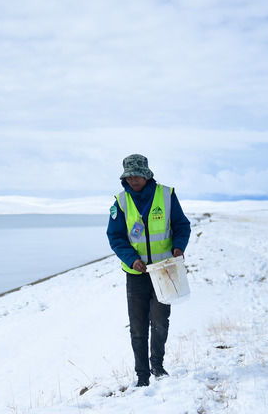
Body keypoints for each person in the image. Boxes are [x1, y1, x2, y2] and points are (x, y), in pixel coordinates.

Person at [106, 154, 191, 387]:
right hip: (136, 275)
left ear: (146, 174)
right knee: (138, 327)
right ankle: (142, 376)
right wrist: (132, 259)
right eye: (129, 176)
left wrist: (178, 247)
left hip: (164, 272)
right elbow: (115, 237)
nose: (132, 180)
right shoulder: (120, 202)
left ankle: (158, 367)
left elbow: (182, 226)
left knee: (160, 322)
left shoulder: (167, 195)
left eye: (137, 175)